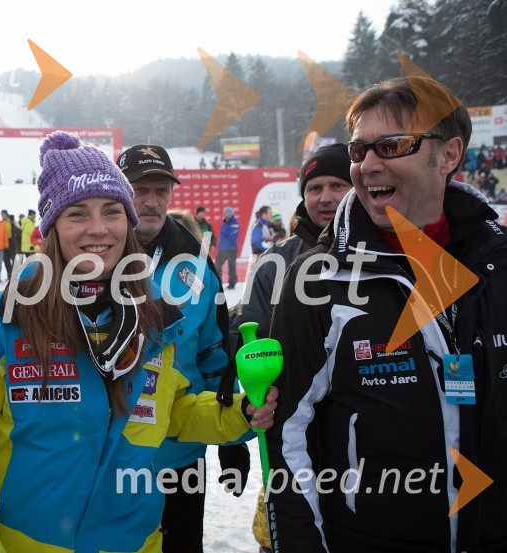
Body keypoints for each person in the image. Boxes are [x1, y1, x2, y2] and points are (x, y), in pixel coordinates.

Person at [0, 131, 276, 552]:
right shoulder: (3, 320)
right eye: (77, 214)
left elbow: (172, 411)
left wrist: (240, 412)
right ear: (51, 227)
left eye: (112, 211)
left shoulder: (153, 317)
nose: (98, 229)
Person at [267, 76, 507, 552]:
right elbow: (288, 433)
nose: (369, 165)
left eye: (392, 145)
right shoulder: (317, 279)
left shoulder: (497, 262)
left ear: (449, 154)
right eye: (358, 150)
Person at [118, 143, 251, 553]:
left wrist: (231, 443)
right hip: (110, 453)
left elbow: (214, 354)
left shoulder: (196, 262)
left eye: (161, 190)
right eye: (140, 189)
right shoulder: (93, 254)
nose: (152, 201)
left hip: (180, 452)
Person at [232, 143, 352, 553]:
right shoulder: (275, 262)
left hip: (363, 433)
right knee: (289, 533)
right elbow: (249, 338)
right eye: (315, 188)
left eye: (337, 185)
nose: (325, 197)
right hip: (292, 433)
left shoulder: (381, 255)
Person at [216, 207, 240, 289]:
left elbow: (228, 232)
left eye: (226, 212)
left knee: (231, 266)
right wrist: (219, 245)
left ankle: (232, 283)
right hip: (223, 249)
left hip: (231, 249)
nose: (224, 214)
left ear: (230, 213)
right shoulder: (225, 222)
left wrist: (226, 222)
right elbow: (222, 235)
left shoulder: (234, 222)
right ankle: (218, 282)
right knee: (217, 265)